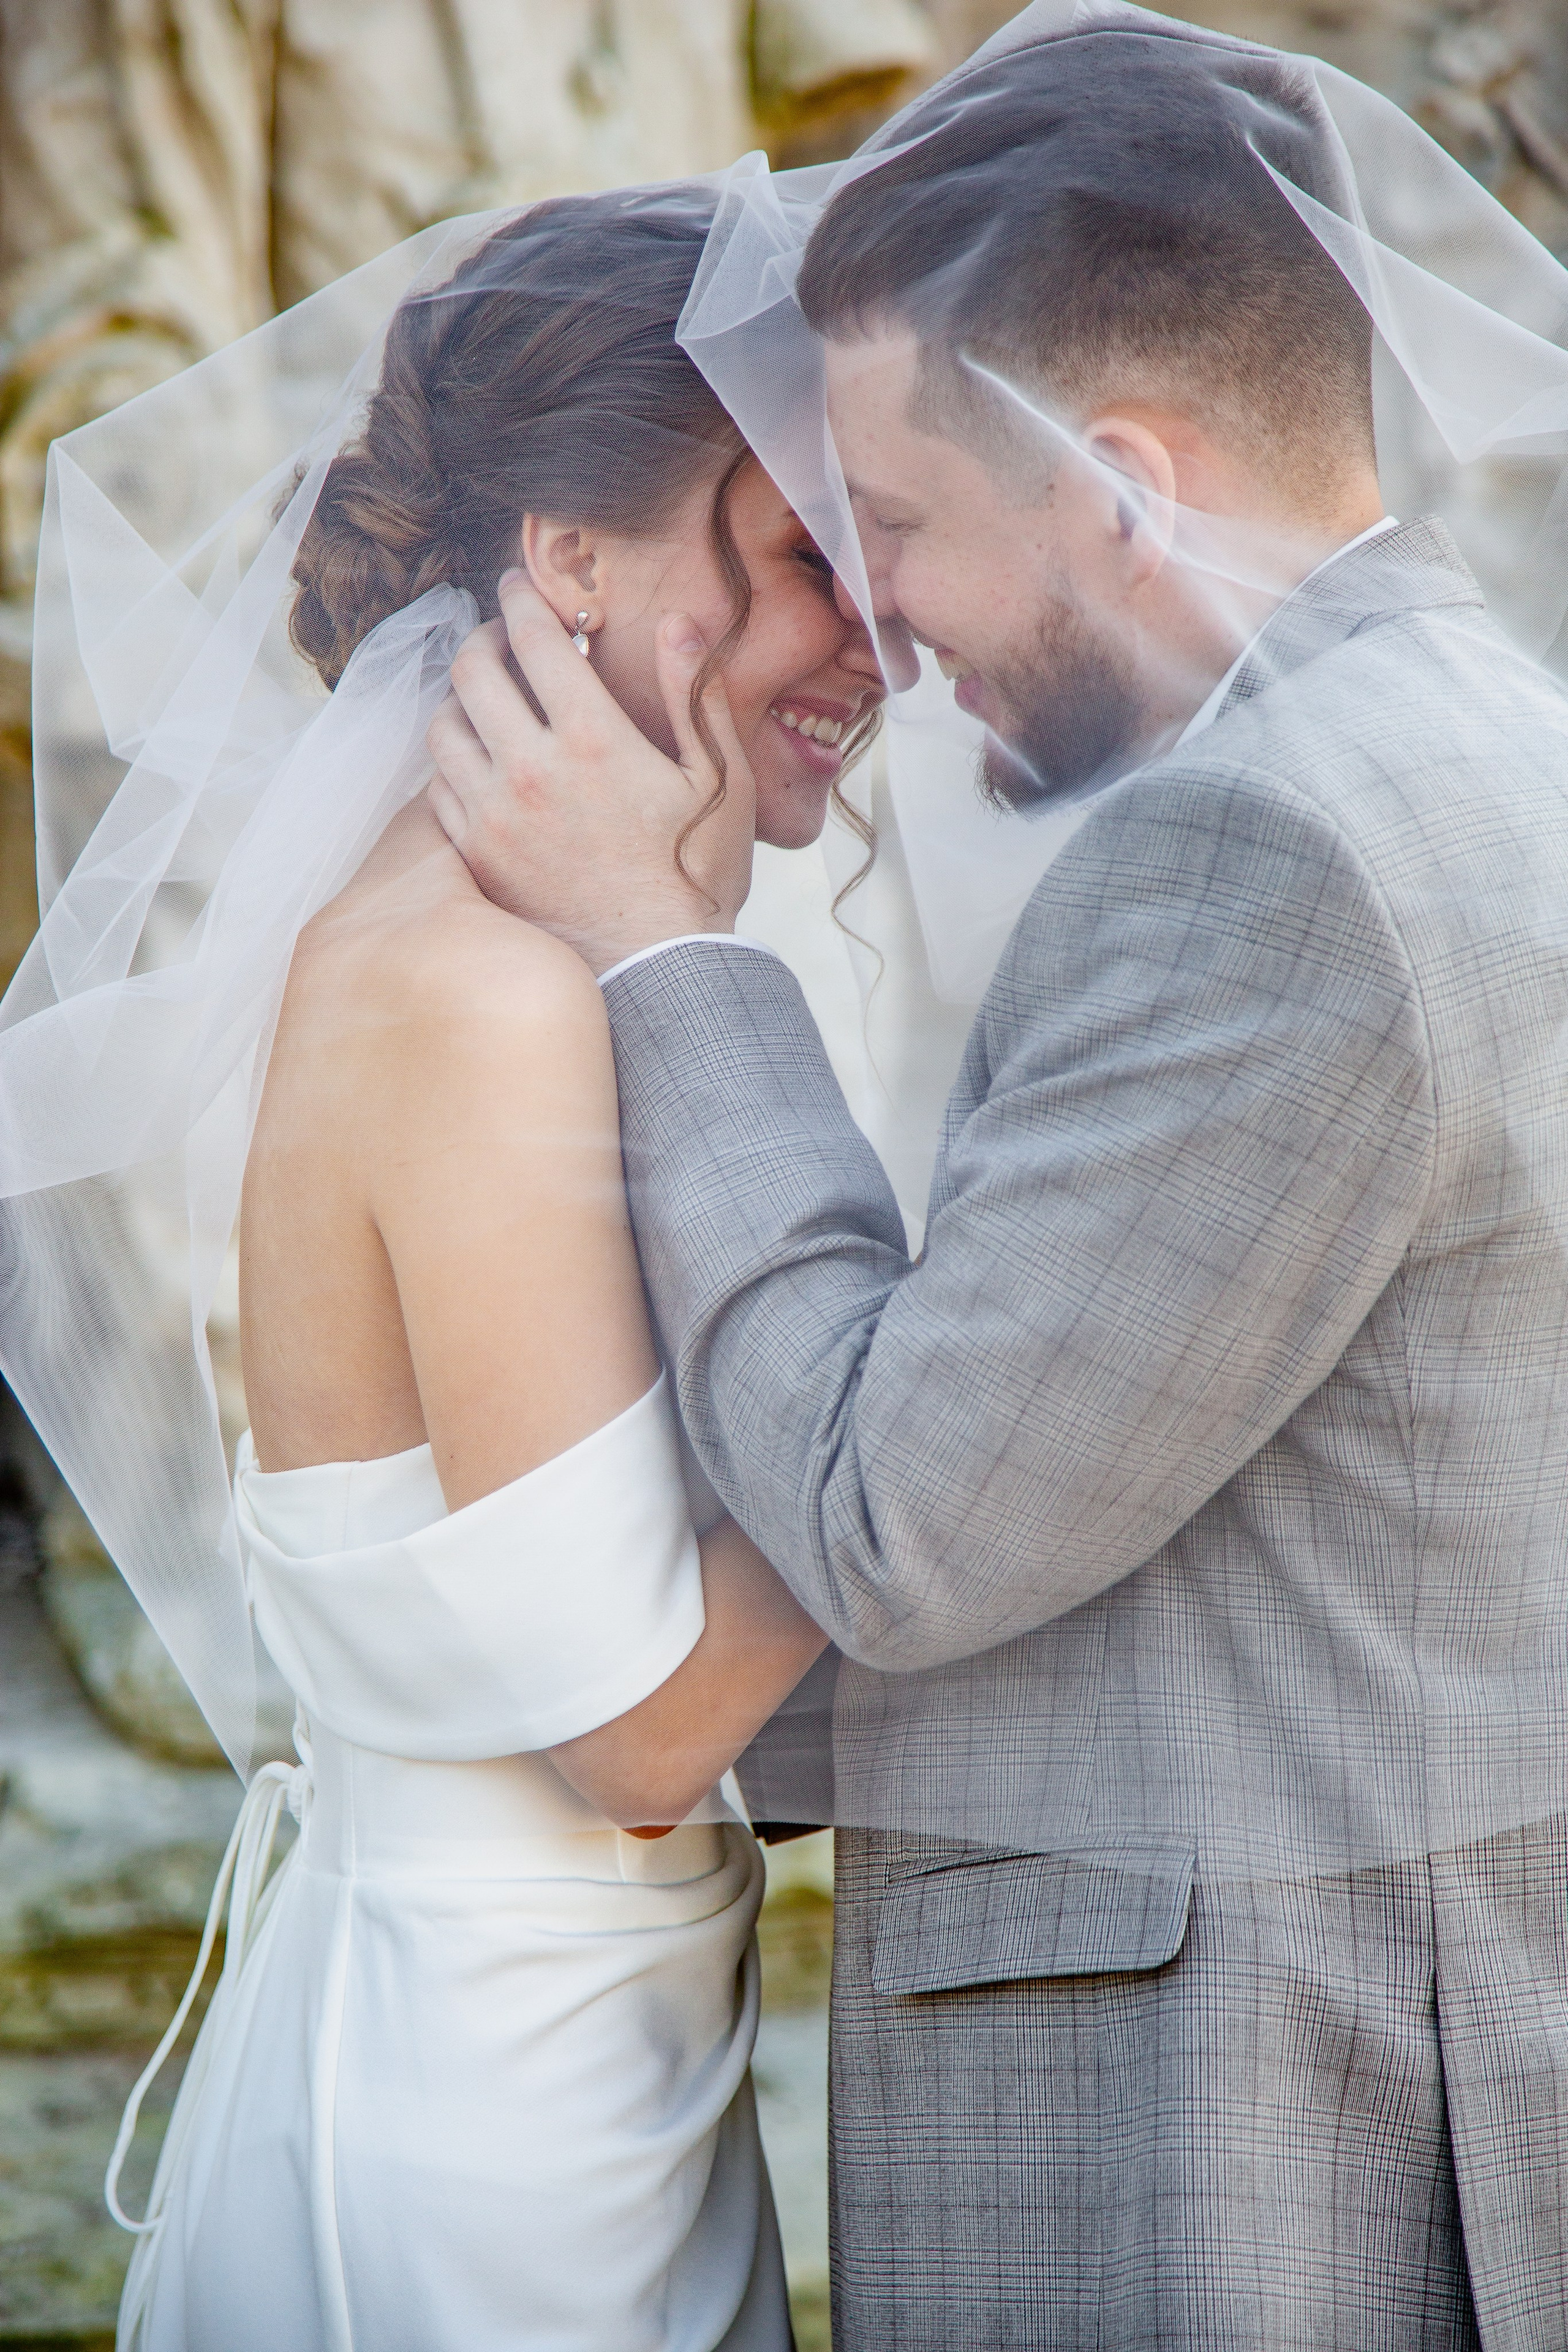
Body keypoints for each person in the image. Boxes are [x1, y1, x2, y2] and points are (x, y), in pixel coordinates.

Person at [430, 17, 1568, 2350]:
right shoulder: (1481, 736)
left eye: (907, 524)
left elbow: (896, 1525)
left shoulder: (1263, 854)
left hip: (1244, 2139)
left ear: (1118, 486)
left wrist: (661, 955)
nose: (891, 621)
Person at [105, 189, 884, 2352]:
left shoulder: (477, 947)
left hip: (571, 2049)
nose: (881, 640)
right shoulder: (474, 993)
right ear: (568, 560)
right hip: (494, 2138)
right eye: (811, 551)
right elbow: (635, 1735)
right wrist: (966, 1365)